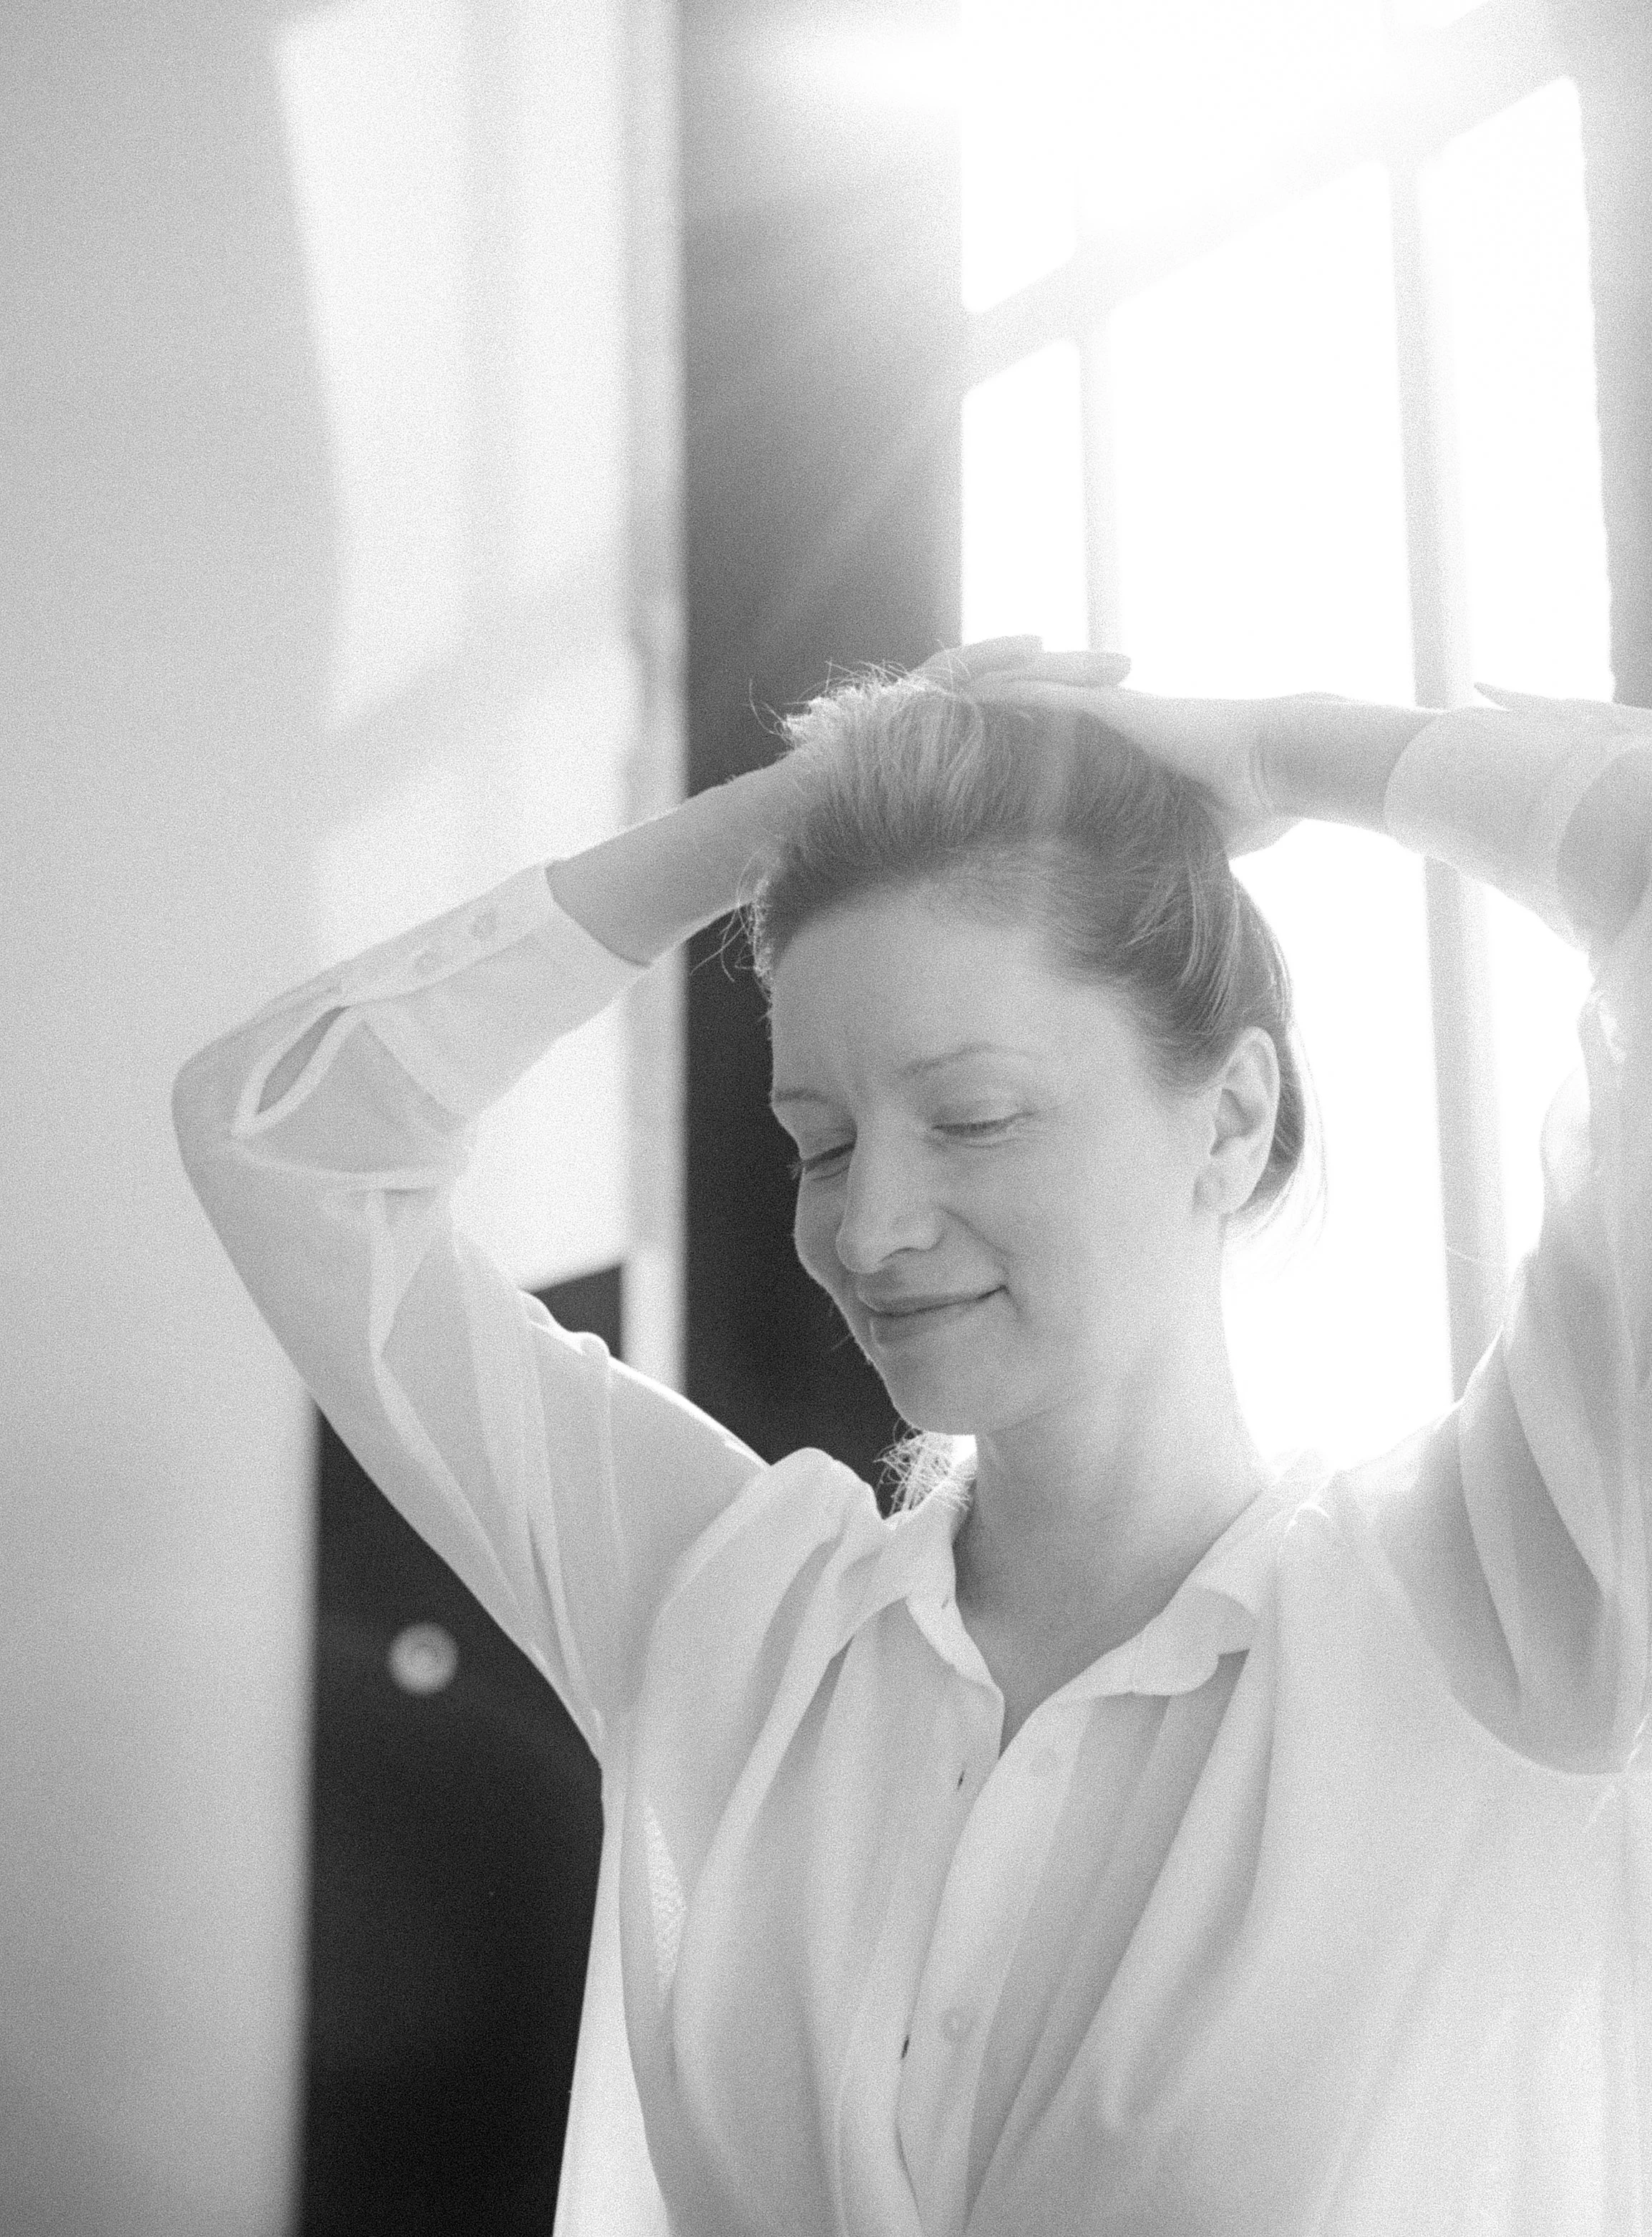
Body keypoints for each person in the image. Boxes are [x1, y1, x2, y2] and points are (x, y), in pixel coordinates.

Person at [173, 642, 1651, 2236]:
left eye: (972, 1117)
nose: (867, 1226)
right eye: (817, 1141)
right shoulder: (731, 1615)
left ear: (1226, 1118)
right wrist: (781, 814)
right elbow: (289, 1137)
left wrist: (1279, 750)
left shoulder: (1498, 1593)